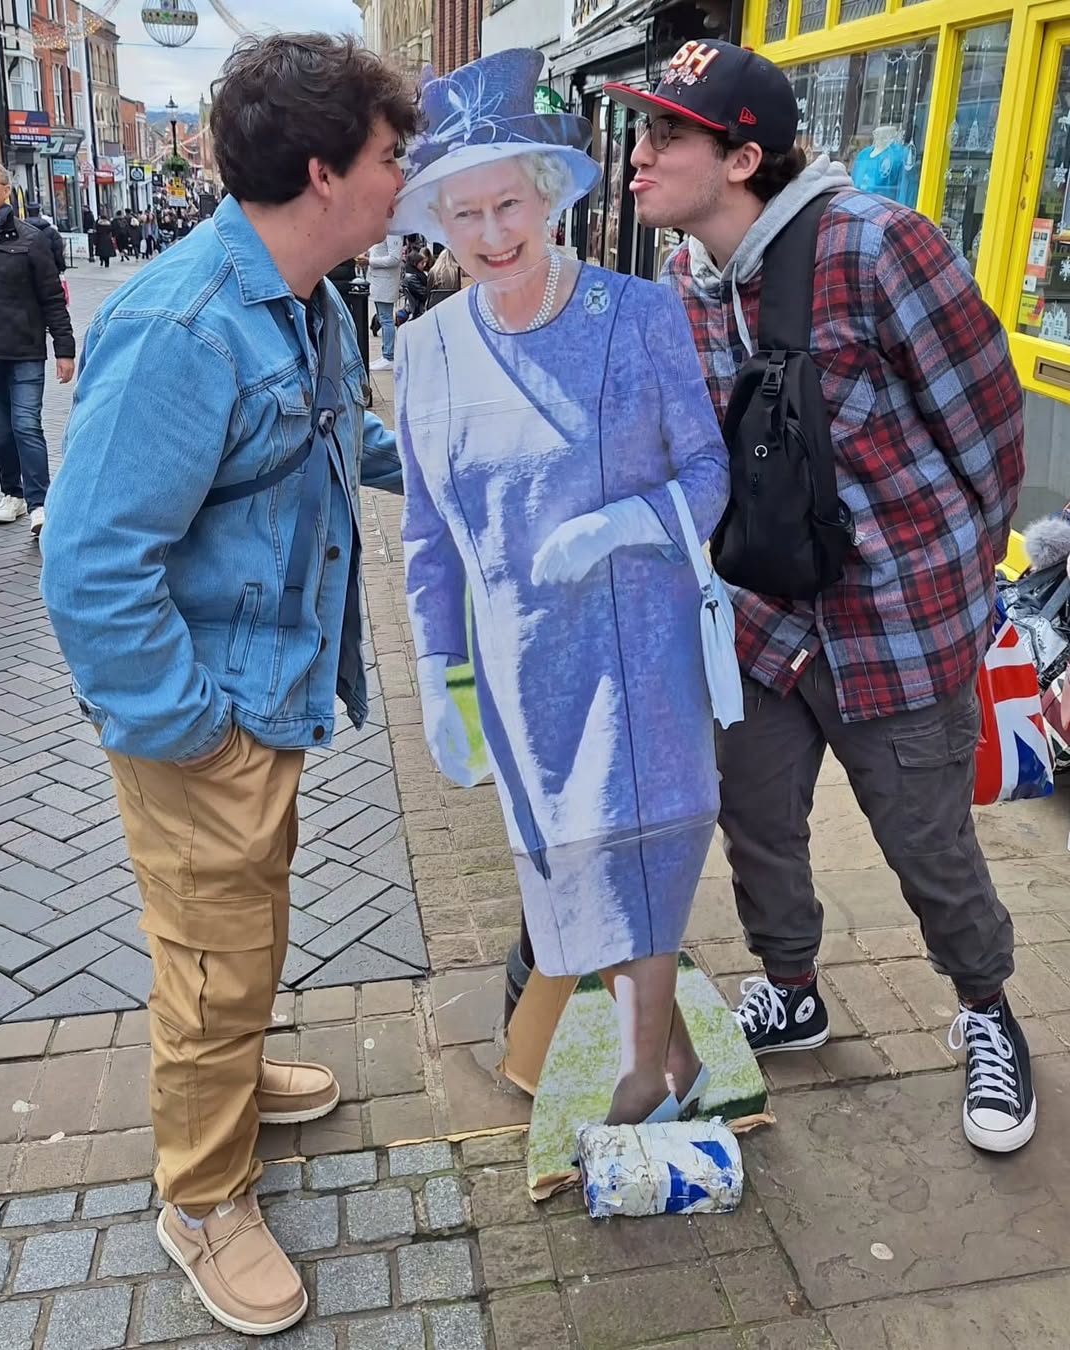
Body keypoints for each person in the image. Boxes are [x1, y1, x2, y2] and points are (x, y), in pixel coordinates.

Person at [40, 34, 416, 1336]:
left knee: (242, 929)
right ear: (323, 172)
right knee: (210, 962)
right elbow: (91, 564)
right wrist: (195, 731)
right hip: (202, 717)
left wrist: (460, 463)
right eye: (390, 156)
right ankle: (202, 1198)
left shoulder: (306, 301)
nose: (403, 179)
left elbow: (337, 435)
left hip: (264, 691)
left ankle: (234, 1079)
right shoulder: (185, 323)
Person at [608, 38, 1033, 1153]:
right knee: (754, 821)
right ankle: (791, 989)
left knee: (926, 841)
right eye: (643, 129)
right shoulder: (684, 284)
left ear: (742, 158)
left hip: (896, 625)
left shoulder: (878, 247)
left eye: (667, 134)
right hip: (760, 617)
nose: (639, 155)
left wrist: (955, 586)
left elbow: (990, 430)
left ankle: (988, 1011)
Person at [394, 50, 730, 1127]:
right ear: (437, 224)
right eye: (465, 213)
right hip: (523, 669)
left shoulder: (639, 316)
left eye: (509, 204)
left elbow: (710, 473)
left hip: (642, 652)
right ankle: (674, 1064)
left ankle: (643, 1083)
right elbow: (428, 539)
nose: (493, 232)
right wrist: (438, 673)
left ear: (548, 196)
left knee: (648, 853)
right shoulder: (427, 351)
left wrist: (625, 526)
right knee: (571, 869)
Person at [0, 162, 75, 537]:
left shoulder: (30, 239)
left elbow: (52, 298)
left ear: (6, 190)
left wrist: (64, 349)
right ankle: (13, 494)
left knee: (25, 425)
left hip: (24, 349)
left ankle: (40, 502)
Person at [366, 229, 400, 368]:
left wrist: (369, 261)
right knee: (383, 317)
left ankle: (388, 356)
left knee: (386, 319)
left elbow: (394, 258)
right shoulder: (383, 229)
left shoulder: (393, 232)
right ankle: (386, 354)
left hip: (385, 282)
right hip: (379, 281)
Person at [27, 202, 67, 274]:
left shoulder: (20, 230)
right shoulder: (52, 232)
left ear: (28, 213)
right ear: (39, 213)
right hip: (48, 270)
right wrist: (61, 267)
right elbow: (58, 252)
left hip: (26, 271)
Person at [402, 248, 428, 319]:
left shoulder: (411, 274)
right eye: (422, 263)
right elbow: (423, 294)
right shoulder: (412, 278)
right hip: (420, 307)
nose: (424, 265)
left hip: (418, 305)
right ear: (415, 264)